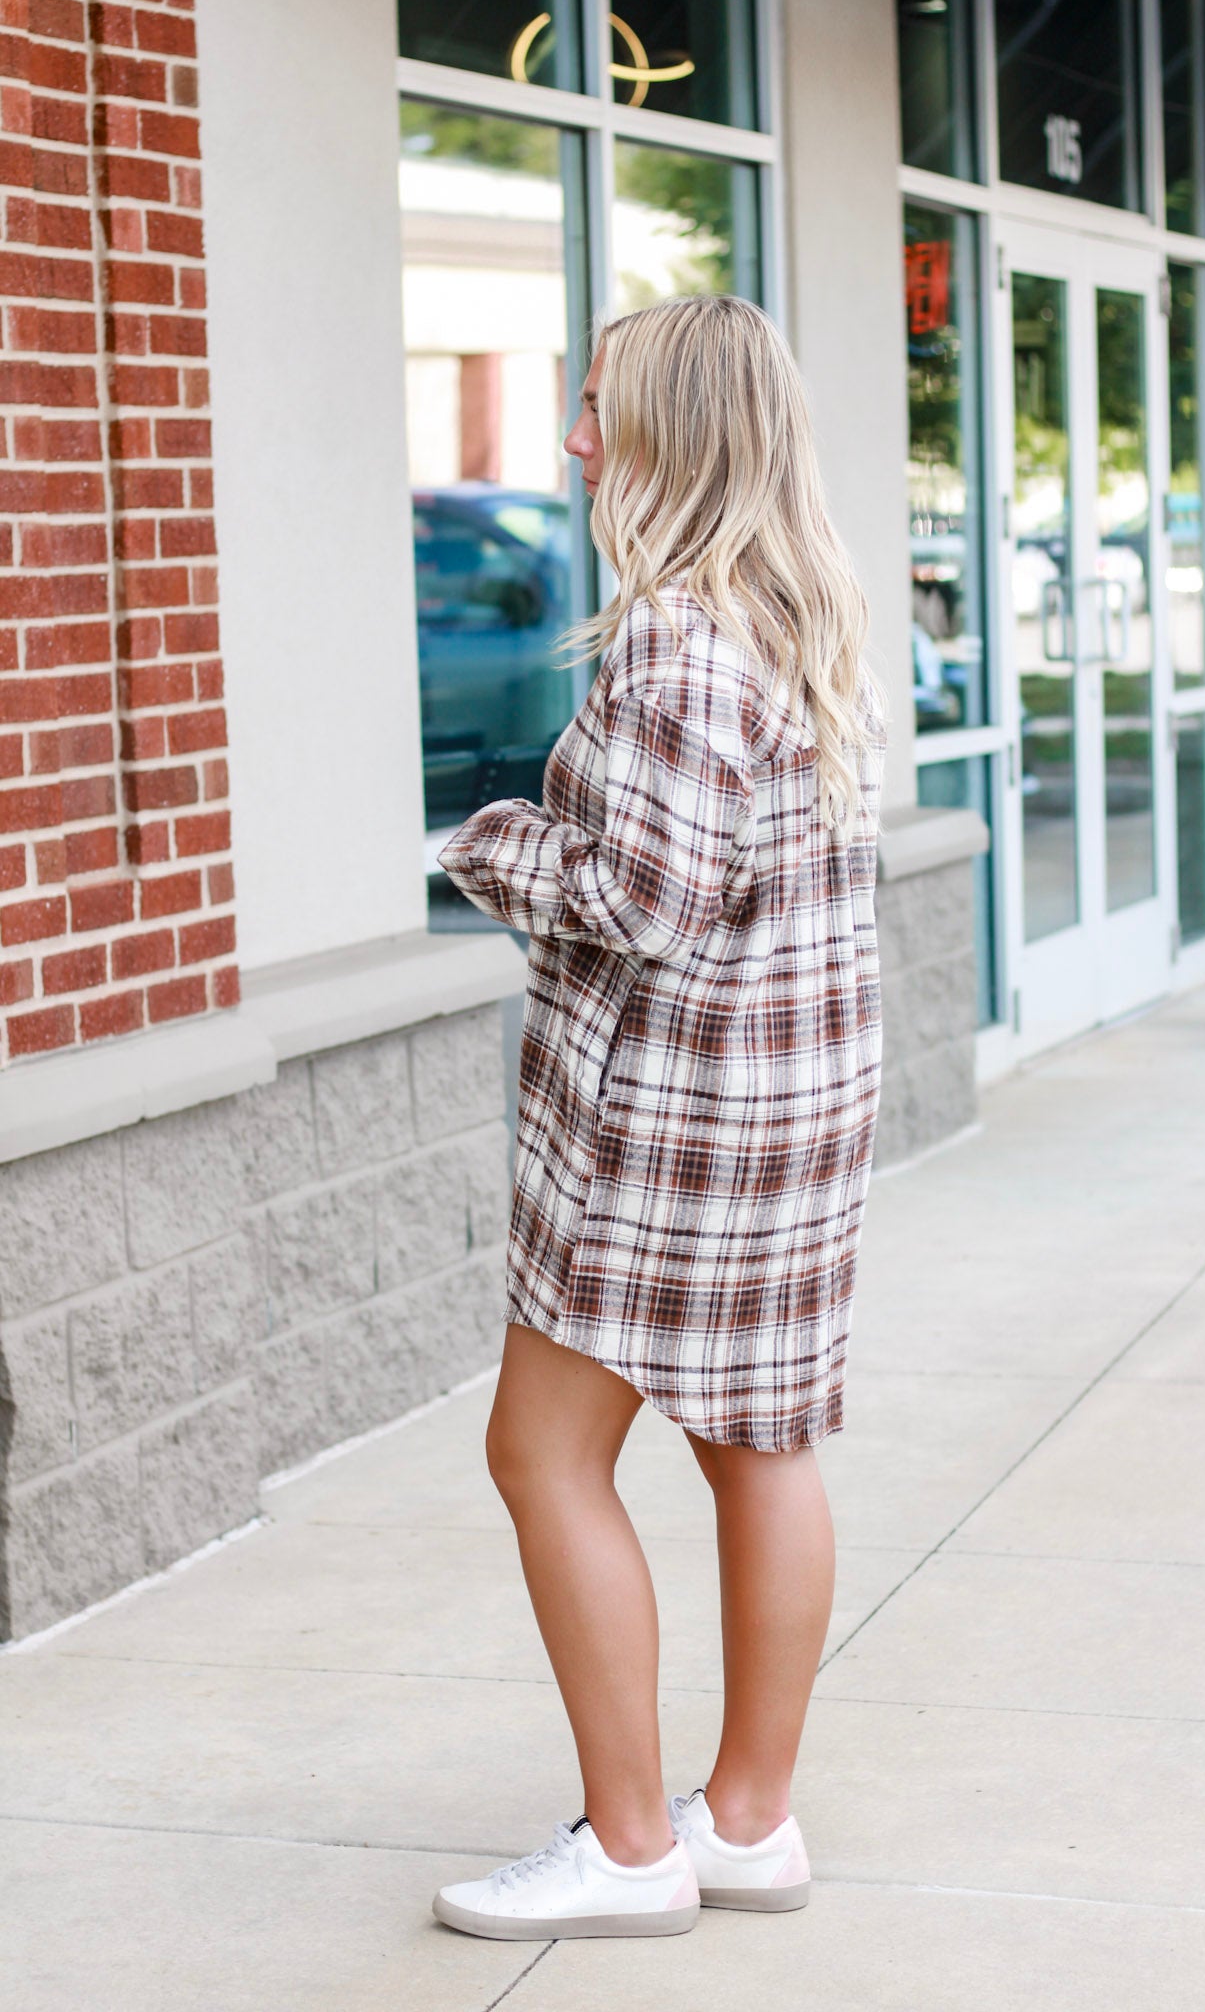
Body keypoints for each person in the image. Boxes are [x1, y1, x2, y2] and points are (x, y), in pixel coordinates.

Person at [431, 293, 886, 1942]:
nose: (570, 439)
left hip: (671, 1131)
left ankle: (631, 1850)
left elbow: (641, 898)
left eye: (595, 407)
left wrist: (485, 841)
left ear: (674, 433)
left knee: (539, 1452)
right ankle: (746, 1823)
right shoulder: (793, 618)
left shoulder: (681, 643)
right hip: (782, 1109)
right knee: (759, 1446)